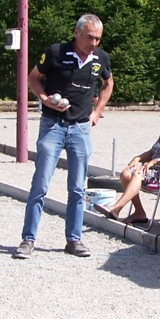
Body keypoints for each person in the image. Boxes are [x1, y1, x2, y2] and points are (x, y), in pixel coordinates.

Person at [16, 14, 113, 259]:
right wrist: (45, 99)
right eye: (90, 37)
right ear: (76, 32)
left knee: (78, 188)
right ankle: (28, 239)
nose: (94, 43)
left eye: (98, 39)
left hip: (80, 128)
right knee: (40, 185)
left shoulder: (100, 58)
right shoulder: (55, 52)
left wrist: (97, 113)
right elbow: (33, 78)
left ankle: (74, 239)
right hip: (52, 126)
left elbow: (108, 83)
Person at [94, 95, 160, 225]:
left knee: (137, 173)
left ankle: (116, 208)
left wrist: (156, 161)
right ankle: (139, 212)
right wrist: (138, 158)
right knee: (126, 173)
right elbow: (153, 151)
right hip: (155, 169)